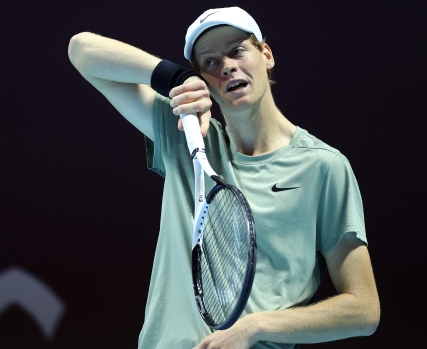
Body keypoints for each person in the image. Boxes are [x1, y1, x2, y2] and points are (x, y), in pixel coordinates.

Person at [68, 6, 380, 349]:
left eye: (237, 51)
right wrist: (175, 78)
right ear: (202, 79)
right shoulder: (185, 137)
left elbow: (363, 310)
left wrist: (256, 327)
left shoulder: (324, 167)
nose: (227, 65)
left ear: (266, 55)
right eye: (211, 62)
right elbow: (81, 50)